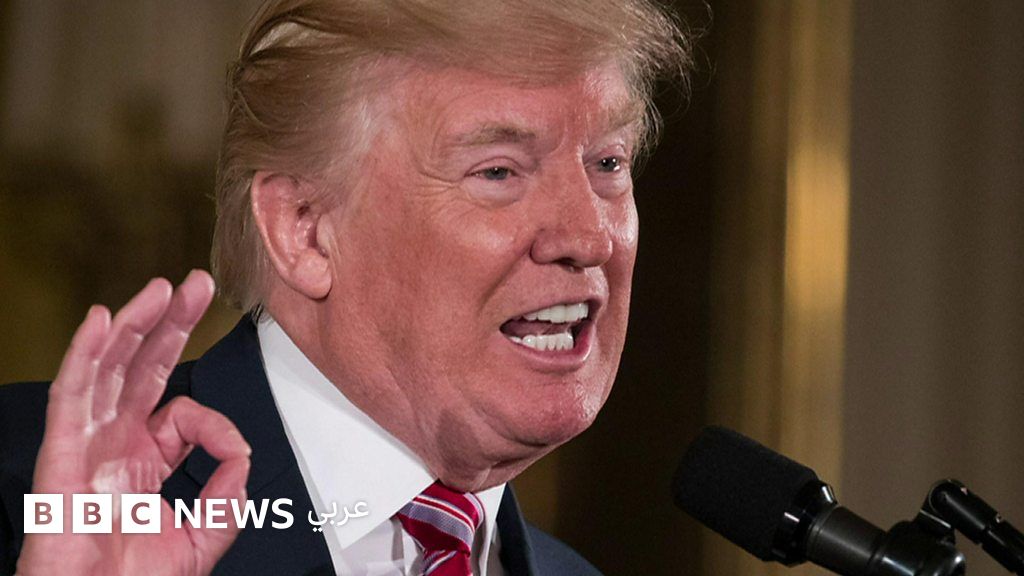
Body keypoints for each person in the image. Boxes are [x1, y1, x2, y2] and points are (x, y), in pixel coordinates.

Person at [0, 0, 692, 574]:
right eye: (498, 172)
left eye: (608, 163)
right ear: (304, 229)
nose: (590, 238)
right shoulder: (28, 497)